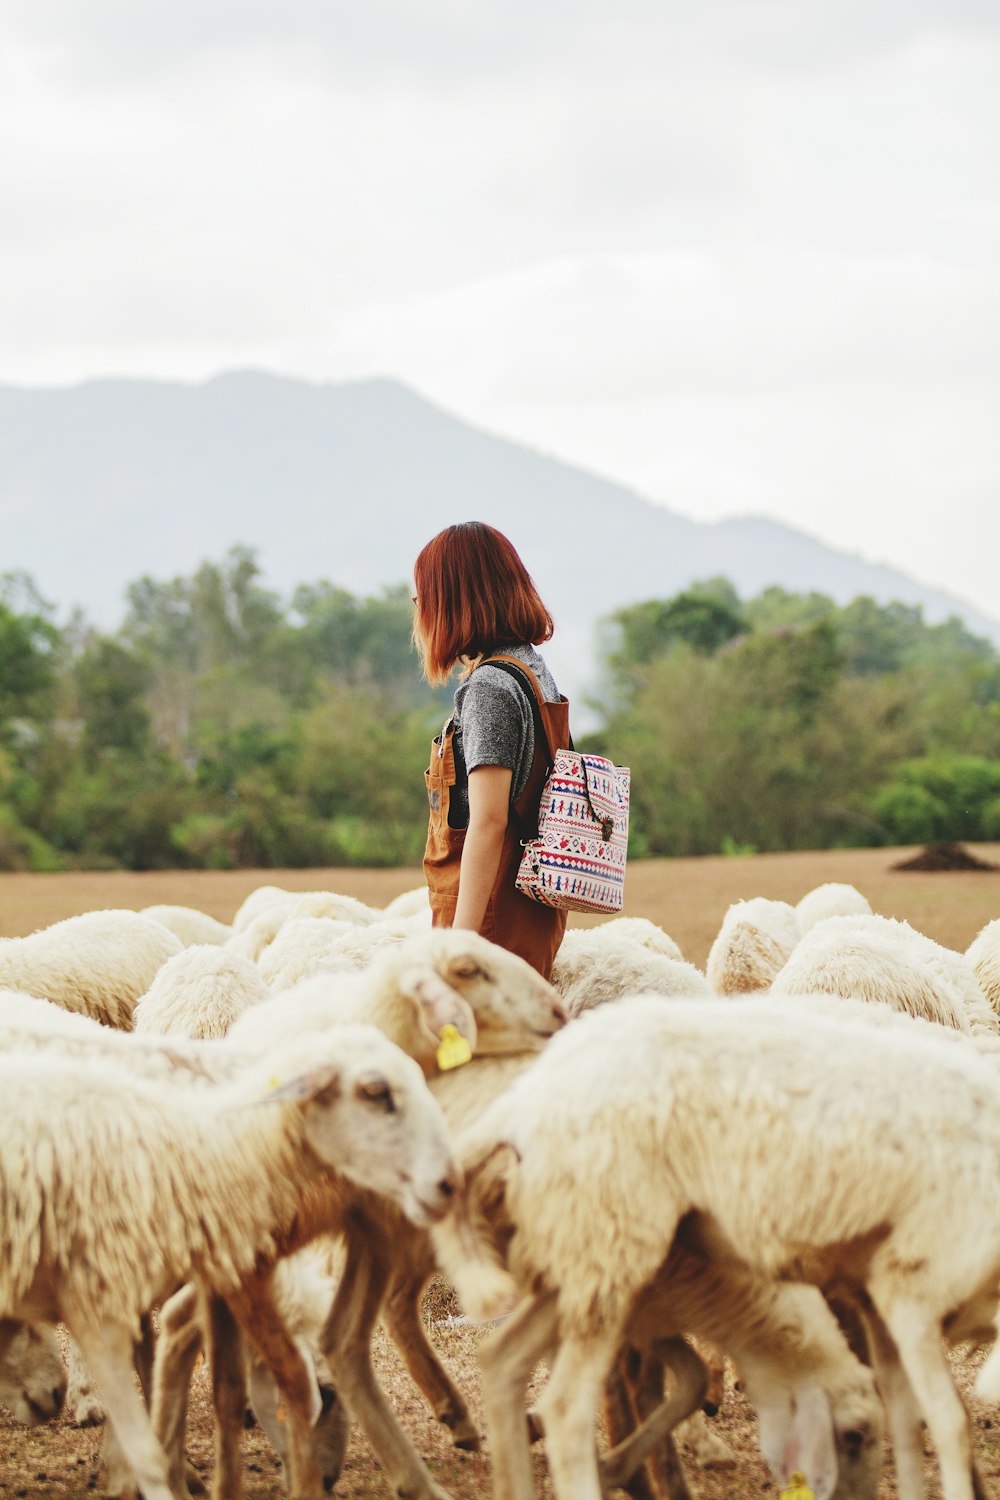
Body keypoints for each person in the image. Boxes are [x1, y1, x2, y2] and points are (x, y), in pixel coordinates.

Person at [412, 521, 569, 979]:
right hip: (529, 912)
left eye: (424, 592)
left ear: (454, 599)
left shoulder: (489, 689)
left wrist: (461, 947)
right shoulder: (531, 668)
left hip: (491, 923)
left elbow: (489, 820)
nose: (417, 605)